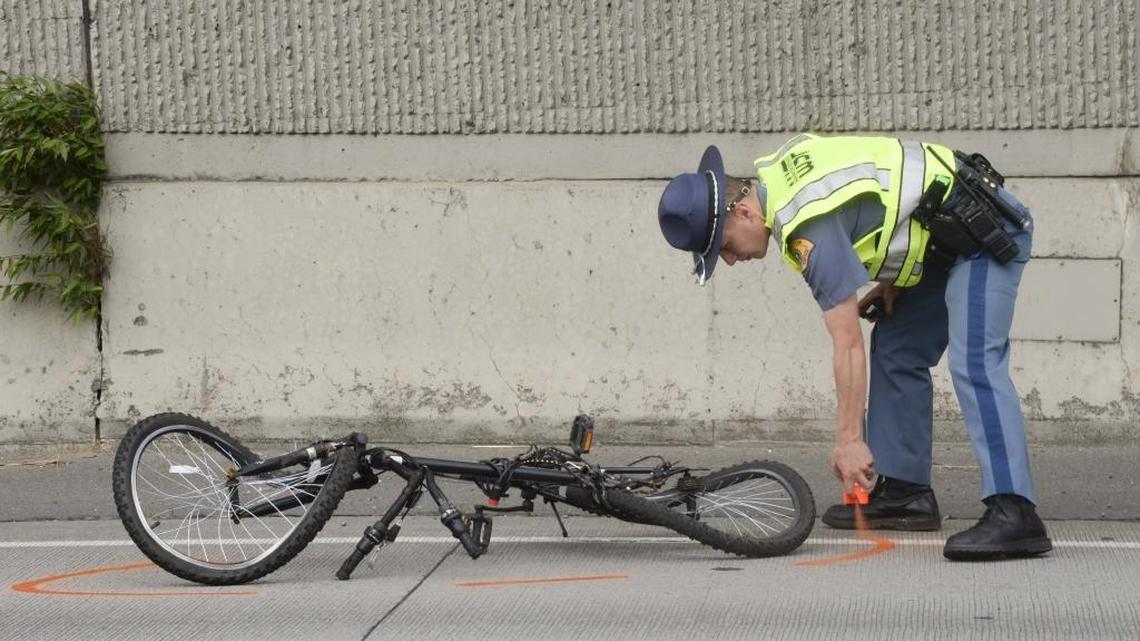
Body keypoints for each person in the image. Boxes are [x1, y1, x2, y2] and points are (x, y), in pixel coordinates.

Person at [656, 136, 1051, 560]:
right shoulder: (779, 175)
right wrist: (895, 278)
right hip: (945, 241)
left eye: (725, 246)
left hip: (983, 237)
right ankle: (905, 492)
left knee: (974, 361)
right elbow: (890, 201)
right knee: (897, 343)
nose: (731, 260)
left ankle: (1015, 510)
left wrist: (849, 442)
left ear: (745, 211)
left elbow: (847, 344)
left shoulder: (805, 225)